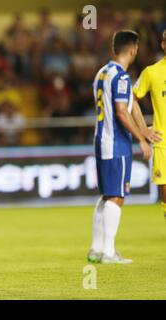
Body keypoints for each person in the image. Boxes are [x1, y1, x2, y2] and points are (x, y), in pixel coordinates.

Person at [87, 30, 161, 264]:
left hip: (101, 139)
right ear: (133, 49)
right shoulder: (120, 77)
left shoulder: (102, 73)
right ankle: (108, 252)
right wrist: (140, 138)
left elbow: (131, 106)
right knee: (117, 197)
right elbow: (121, 111)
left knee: (107, 195)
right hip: (116, 142)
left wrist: (145, 128)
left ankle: (96, 249)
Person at [133, 30, 166, 218]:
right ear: (163, 45)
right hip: (163, 144)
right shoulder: (151, 72)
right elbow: (132, 98)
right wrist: (142, 128)